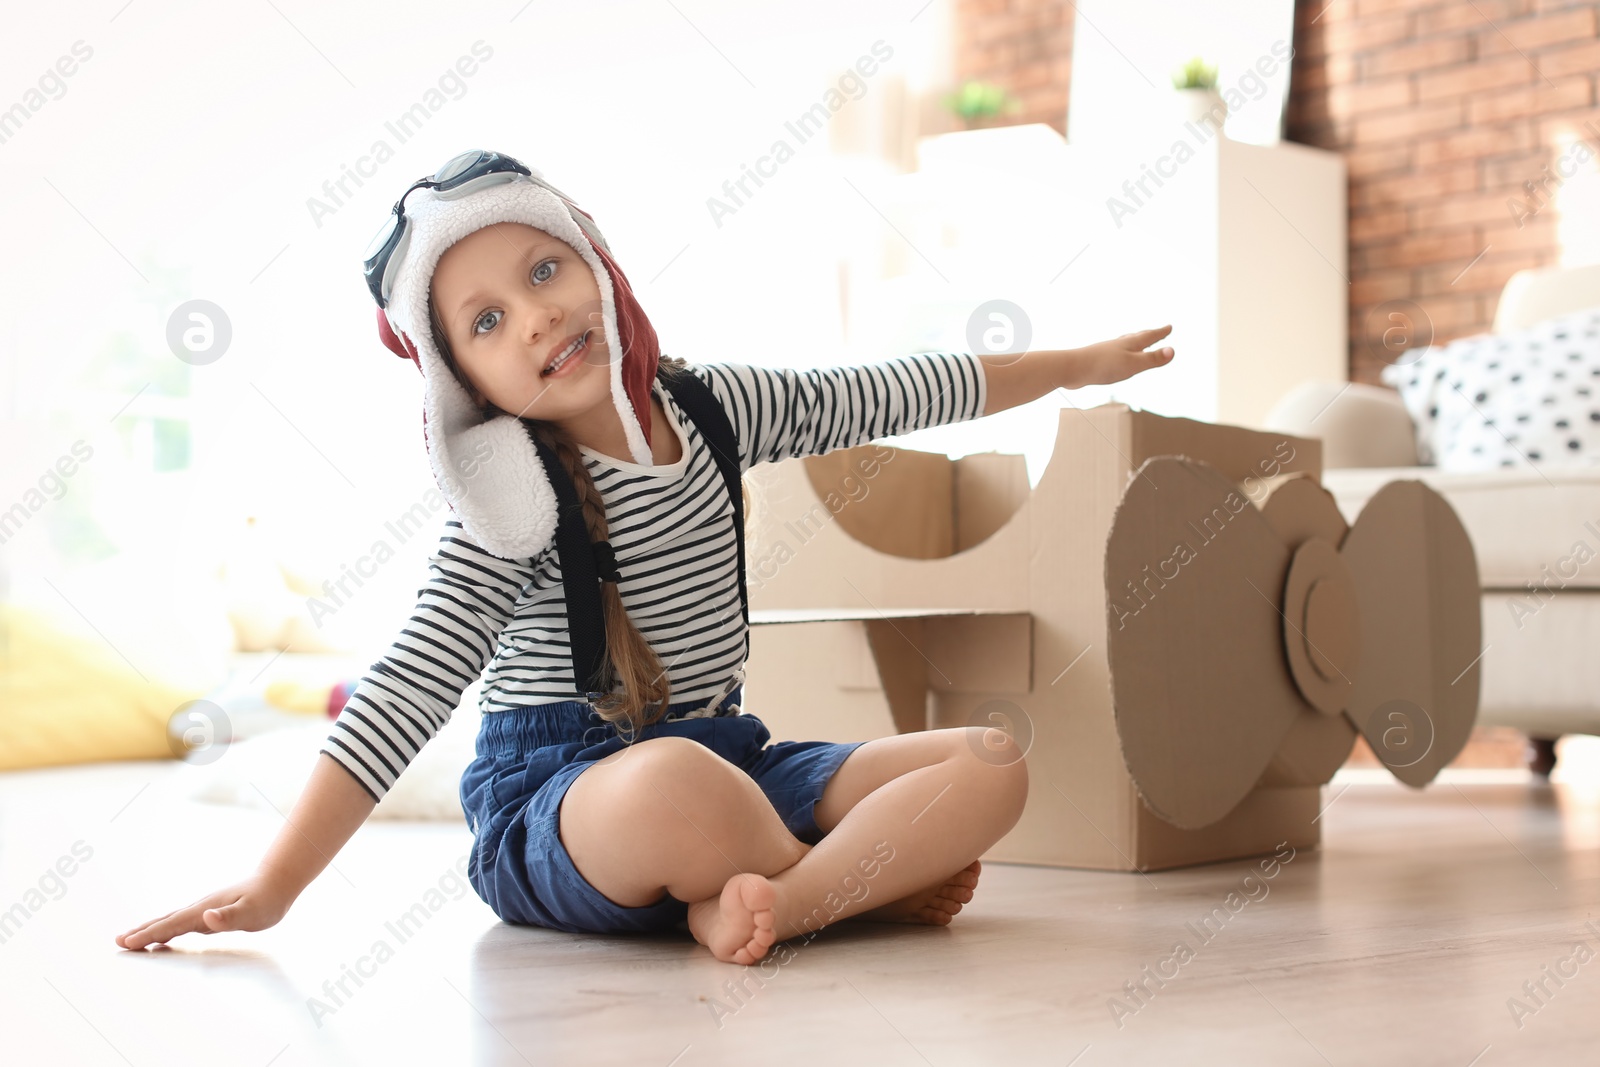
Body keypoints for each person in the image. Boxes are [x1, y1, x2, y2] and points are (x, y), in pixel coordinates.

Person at [116, 149, 1176, 966]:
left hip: (733, 758)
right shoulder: (508, 501)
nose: (536, 315)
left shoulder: (713, 405)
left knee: (989, 760)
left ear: (595, 259)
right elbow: (404, 690)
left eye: (543, 270)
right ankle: (859, 886)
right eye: (489, 319)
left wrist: (1068, 366)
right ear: (466, 381)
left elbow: (888, 387)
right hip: (562, 804)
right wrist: (273, 885)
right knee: (672, 778)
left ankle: (779, 901)